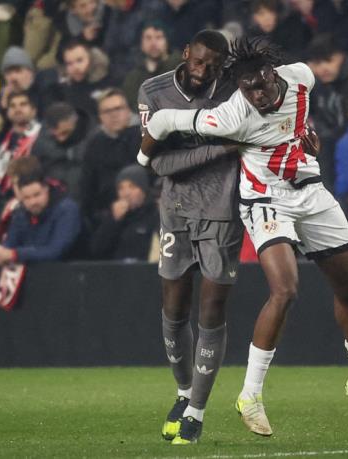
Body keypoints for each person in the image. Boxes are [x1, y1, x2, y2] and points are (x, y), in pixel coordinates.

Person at [140, 37, 348, 438]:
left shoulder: (302, 77)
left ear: (273, 74)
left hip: (310, 190)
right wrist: (143, 156)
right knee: (285, 290)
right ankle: (250, 396)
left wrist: (307, 134)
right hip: (265, 201)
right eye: (248, 89)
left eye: (261, 85)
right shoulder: (230, 115)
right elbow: (162, 122)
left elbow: (297, 120)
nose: (257, 95)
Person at [137, 29, 242, 445]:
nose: (202, 72)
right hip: (176, 209)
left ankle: (196, 411)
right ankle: (183, 393)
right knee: (174, 308)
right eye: (198, 62)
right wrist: (222, 149)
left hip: (223, 211)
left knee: (212, 310)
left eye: (212, 66)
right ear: (185, 54)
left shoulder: (235, 89)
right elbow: (158, 164)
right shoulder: (154, 92)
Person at [0, 169, 81, 265]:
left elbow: (56, 251)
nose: (33, 202)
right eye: (27, 198)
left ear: (46, 189)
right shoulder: (20, 213)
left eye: (37, 195)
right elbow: (9, 245)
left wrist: (14, 254)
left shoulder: (67, 209)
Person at [81, 88, 141, 228]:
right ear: (100, 117)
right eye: (107, 111)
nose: (114, 115)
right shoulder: (94, 145)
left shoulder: (145, 136)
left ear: (128, 111)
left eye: (118, 108)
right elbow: (88, 190)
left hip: (144, 212)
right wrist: (106, 214)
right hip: (107, 216)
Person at [306, 33, 348, 192]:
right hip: (328, 143)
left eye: (328, 61)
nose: (323, 68)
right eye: (318, 63)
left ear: (341, 57)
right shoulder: (317, 84)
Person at [89, 164, 158, 261]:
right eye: (121, 188)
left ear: (143, 190)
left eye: (132, 187)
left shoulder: (155, 215)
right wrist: (113, 221)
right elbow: (96, 250)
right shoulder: (112, 216)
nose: (126, 193)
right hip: (117, 269)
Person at [31, 102, 96, 203]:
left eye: (65, 133)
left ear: (75, 121)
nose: (61, 139)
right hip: (54, 201)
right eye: (55, 135)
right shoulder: (41, 143)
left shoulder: (94, 139)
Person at [122, 22, 181, 109]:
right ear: (141, 43)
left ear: (167, 42)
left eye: (158, 37)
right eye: (148, 38)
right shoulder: (133, 77)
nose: (153, 43)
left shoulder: (181, 69)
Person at [0, 90, 42, 194]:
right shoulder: (2, 140)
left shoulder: (42, 135)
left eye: (23, 104)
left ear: (33, 110)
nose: (17, 109)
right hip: (5, 194)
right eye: (12, 106)